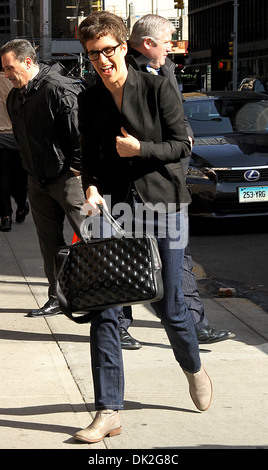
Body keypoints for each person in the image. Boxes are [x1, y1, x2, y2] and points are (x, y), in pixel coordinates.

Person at [73, 11, 213, 444]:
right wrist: (91, 189)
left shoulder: (156, 86)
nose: (101, 60)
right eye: (93, 53)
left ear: (123, 46)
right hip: (115, 210)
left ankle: (192, 366)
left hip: (163, 206)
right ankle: (108, 409)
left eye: (108, 50)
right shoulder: (89, 99)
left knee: (170, 305)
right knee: (106, 308)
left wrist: (140, 149)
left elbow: (181, 144)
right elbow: (90, 159)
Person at [118, 14, 234, 349]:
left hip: (172, 177)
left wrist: (187, 136)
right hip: (140, 182)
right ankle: (120, 325)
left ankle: (195, 324)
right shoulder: (125, 75)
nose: (172, 47)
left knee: (179, 256)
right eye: (167, 41)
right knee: (132, 255)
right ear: (148, 44)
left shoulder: (165, 68)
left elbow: (177, 117)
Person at [0, 39, 86, 317]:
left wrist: (76, 170)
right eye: (4, 69)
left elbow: (79, 136)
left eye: (9, 68)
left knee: (93, 238)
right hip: (38, 181)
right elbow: (22, 137)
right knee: (48, 242)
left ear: (28, 62)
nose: (6, 74)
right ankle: (58, 297)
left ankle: (109, 305)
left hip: (69, 180)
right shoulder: (16, 95)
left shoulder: (59, 88)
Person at [0, 62, 28, 231]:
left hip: (1, 137)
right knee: (20, 176)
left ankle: (5, 216)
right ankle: (22, 205)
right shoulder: (15, 81)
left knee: (2, 178)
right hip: (18, 136)